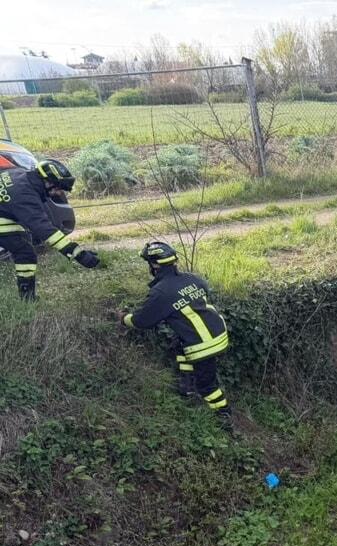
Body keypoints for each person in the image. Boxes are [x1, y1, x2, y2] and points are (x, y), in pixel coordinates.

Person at [117, 242, 232, 427]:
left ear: (154, 265)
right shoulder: (192, 279)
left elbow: (141, 321)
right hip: (218, 332)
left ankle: (223, 417)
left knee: (208, 386)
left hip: (203, 344)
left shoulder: (161, 292)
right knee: (179, 345)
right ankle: (187, 388)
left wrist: (123, 319)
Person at [0, 159, 100, 301]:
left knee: (23, 246)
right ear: (47, 181)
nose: (59, 193)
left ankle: (26, 298)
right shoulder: (25, 194)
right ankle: (27, 299)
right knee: (24, 252)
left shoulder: (18, 174)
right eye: (59, 188)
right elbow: (45, 230)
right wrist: (79, 254)